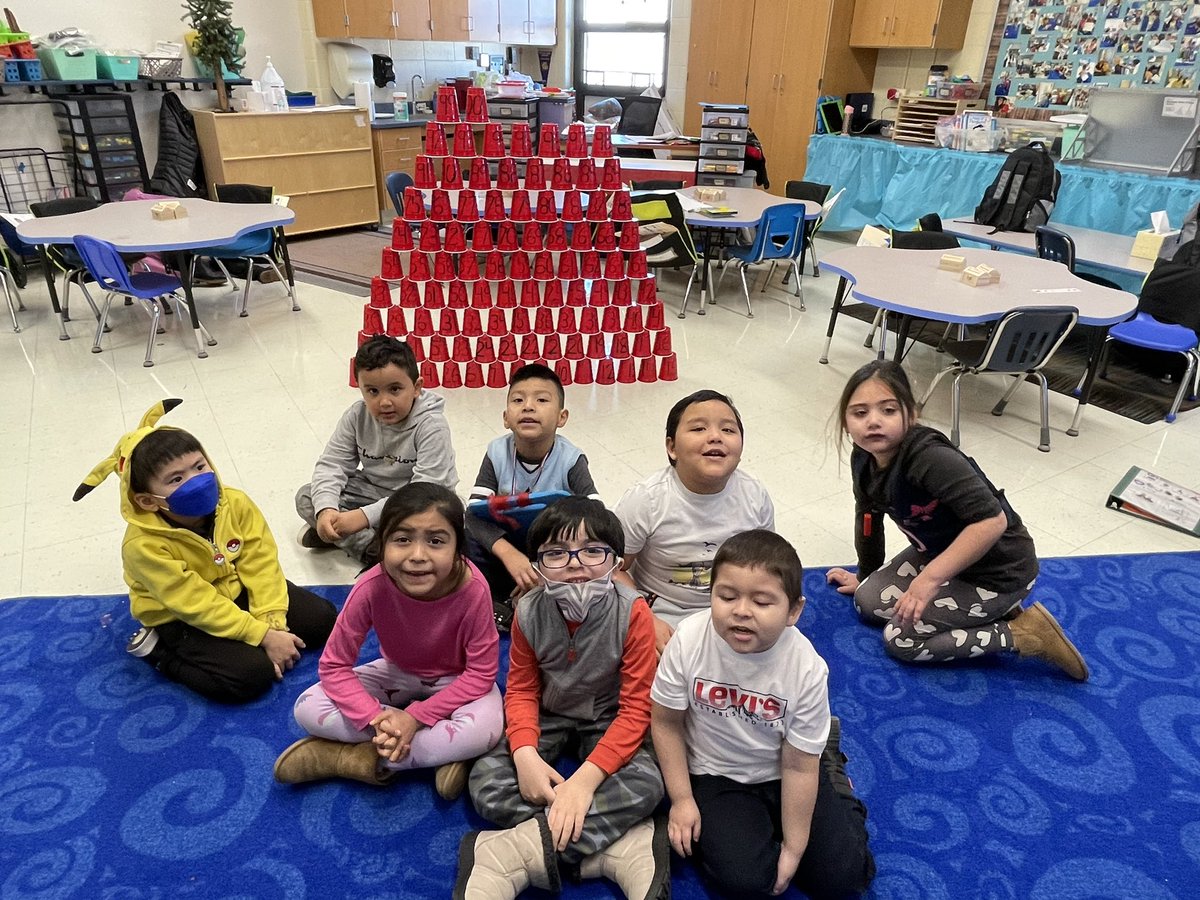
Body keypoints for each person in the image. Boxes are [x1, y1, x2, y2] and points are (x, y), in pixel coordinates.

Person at [457, 497, 668, 900]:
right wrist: (524, 754)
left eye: (592, 551)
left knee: (649, 783)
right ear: (537, 564)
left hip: (608, 717)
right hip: (548, 712)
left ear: (616, 562)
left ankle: (514, 851)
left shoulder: (634, 612)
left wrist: (584, 784)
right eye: (556, 553)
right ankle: (612, 847)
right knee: (486, 783)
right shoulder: (528, 610)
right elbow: (521, 689)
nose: (575, 564)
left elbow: (636, 708)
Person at [825, 360, 1089, 680]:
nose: (874, 422)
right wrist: (865, 575)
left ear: (912, 414)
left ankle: (1024, 633)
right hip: (944, 555)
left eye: (889, 410)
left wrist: (929, 580)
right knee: (868, 601)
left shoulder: (929, 458)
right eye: (860, 413)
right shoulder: (864, 457)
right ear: (846, 423)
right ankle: (983, 611)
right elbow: (868, 519)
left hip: (998, 573)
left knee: (902, 640)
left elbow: (992, 522)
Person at [651, 530, 875, 898]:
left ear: (794, 611)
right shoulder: (688, 640)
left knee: (844, 878)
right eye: (727, 596)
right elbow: (665, 722)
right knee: (746, 882)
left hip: (789, 767)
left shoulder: (805, 669)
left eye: (762, 601)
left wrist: (794, 849)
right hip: (716, 772)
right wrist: (682, 799)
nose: (741, 610)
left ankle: (830, 763)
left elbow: (799, 767)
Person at [73, 400, 338, 704]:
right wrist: (261, 636)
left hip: (235, 588)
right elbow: (194, 603)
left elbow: (260, 561)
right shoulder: (142, 546)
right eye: (176, 479)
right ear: (147, 501)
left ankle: (253, 630)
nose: (196, 481)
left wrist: (271, 620)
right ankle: (160, 653)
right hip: (179, 615)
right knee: (251, 676)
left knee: (322, 621)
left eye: (199, 467)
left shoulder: (235, 503)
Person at [274, 482, 502, 801]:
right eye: (402, 539)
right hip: (397, 671)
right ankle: (438, 753)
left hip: (457, 678)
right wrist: (377, 718)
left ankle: (347, 758)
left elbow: (480, 674)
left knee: (487, 729)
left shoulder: (474, 589)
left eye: (436, 541)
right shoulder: (370, 587)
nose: (417, 556)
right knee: (307, 707)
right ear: (382, 544)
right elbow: (334, 667)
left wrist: (414, 718)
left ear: (457, 549)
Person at [615, 389, 774, 653]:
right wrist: (644, 616)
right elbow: (613, 568)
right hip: (663, 606)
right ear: (672, 448)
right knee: (656, 663)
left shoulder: (754, 495)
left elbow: (767, 563)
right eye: (699, 428)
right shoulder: (646, 500)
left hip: (735, 605)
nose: (715, 437)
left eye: (728, 430)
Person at [295, 335, 458, 566]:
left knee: (439, 522)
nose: (384, 402)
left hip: (424, 501)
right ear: (361, 390)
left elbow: (426, 489)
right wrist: (326, 510)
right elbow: (333, 464)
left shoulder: (432, 425)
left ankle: (354, 541)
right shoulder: (357, 415)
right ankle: (374, 548)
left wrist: (363, 516)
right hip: (374, 492)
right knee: (307, 496)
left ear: (416, 388)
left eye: (395, 389)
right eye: (372, 391)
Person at [466, 363, 600, 630]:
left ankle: (542, 598)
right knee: (463, 538)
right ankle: (498, 602)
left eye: (541, 400)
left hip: (552, 548)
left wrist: (545, 563)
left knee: (588, 546)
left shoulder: (571, 459)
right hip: (506, 545)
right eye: (518, 400)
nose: (528, 406)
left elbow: (597, 514)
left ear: (562, 417)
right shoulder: (496, 452)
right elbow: (472, 514)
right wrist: (508, 554)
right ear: (506, 417)